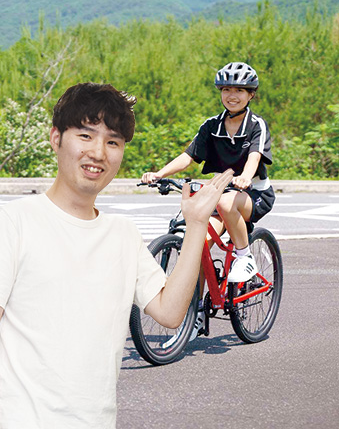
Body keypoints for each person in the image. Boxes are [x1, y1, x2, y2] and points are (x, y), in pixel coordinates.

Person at [0, 82, 233, 428]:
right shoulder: (13, 223)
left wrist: (197, 224)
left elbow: (169, 312)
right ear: (55, 138)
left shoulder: (123, 234)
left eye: (113, 142)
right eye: (85, 135)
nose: (98, 152)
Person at [141, 62, 274, 339]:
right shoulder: (212, 125)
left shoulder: (256, 125)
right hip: (221, 191)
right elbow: (189, 156)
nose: (232, 95)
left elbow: (254, 157)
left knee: (227, 204)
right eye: (226, 89)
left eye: (240, 90)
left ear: (251, 94)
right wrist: (159, 173)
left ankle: (244, 256)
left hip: (253, 194)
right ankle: (198, 314)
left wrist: (245, 178)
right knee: (197, 246)